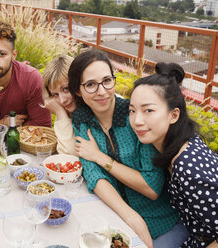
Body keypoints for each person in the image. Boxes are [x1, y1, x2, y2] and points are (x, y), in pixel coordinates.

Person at [69, 49, 187, 248]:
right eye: (90, 84)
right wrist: (130, 216)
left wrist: (100, 157)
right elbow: (93, 174)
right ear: (78, 91)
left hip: (164, 223)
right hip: (118, 221)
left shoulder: (136, 118)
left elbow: (152, 187)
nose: (102, 91)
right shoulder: (82, 120)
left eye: (107, 80)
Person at [129, 62, 218, 248]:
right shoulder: (178, 142)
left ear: (174, 115)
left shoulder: (188, 167)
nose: (137, 121)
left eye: (148, 110)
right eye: (132, 110)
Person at [42, 55, 77, 155]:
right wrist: (61, 112)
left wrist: (60, 112)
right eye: (55, 94)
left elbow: (69, 154)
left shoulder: (94, 107)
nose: (62, 100)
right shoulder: (65, 108)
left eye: (66, 89)